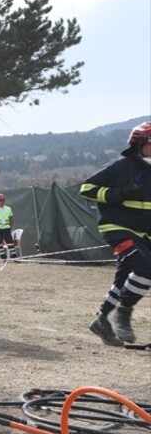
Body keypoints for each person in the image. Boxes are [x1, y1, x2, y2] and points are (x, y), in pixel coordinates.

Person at [80, 121, 151, 346]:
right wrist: (119, 193)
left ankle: (102, 321)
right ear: (139, 145)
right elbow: (86, 189)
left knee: (124, 278)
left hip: (144, 233)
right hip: (117, 227)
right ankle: (124, 314)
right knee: (145, 266)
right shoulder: (121, 167)